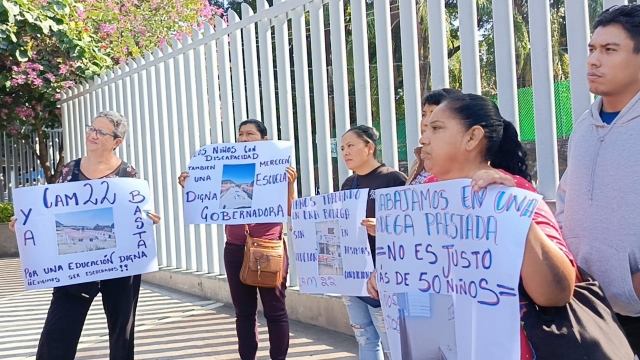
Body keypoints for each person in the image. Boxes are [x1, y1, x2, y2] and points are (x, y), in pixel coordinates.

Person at [367, 94, 577, 359]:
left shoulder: (512, 195)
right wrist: (386, 276)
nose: (423, 138)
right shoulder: (421, 197)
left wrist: (509, 210)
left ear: (472, 137)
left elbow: (555, 293)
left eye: (437, 128)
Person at [9, 111, 161, 360]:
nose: (92, 135)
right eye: (91, 128)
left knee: (121, 333)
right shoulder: (70, 169)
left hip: (120, 268)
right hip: (74, 267)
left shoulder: (128, 174)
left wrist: (146, 219)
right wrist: (25, 223)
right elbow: (50, 212)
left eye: (102, 132)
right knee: (58, 331)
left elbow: (133, 215)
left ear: (117, 142)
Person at [555, 4, 640, 355]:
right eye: (592, 49)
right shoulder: (583, 127)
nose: (592, 60)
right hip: (588, 307)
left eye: (609, 50)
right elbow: (564, 200)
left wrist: (632, 287)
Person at [178, 119, 297, 360]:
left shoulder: (277, 170)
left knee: (275, 310)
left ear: (264, 140)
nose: (243, 138)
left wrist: (291, 186)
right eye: (240, 134)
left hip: (268, 248)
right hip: (234, 249)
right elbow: (207, 199)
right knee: (244, 312)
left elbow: (291, 211)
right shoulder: (222, 167)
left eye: (250, 134)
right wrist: (191, 186)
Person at [340, 125, 407, 360]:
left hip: (383, 274)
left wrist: (384, 228)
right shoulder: (348, 184)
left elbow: (410, 228)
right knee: (364, 338)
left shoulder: (394, 180)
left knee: (392, 341)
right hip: (353, 272)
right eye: (342, 148)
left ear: (369, 147)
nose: (345, 152)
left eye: (350, 146)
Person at [406, 88, 462, 185]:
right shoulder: (419, 161)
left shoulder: (464, 164)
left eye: (434, 115)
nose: (425, 122)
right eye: (424, 115)